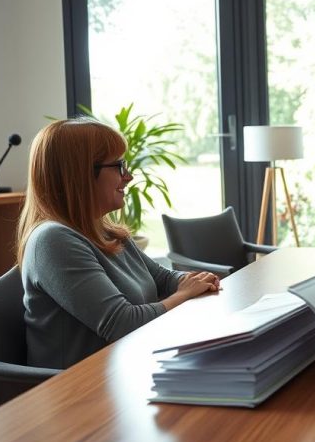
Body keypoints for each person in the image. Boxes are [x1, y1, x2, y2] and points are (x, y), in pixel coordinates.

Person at [17, 118, 220, 369]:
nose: (129, 176)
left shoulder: (106, 230)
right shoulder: (53, 241)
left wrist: (197, 281)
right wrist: (185, 294)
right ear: (80, 174)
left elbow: (162, 277)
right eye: (119, 166)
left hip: (125, 369)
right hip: (77, 392)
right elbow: (122, 324)